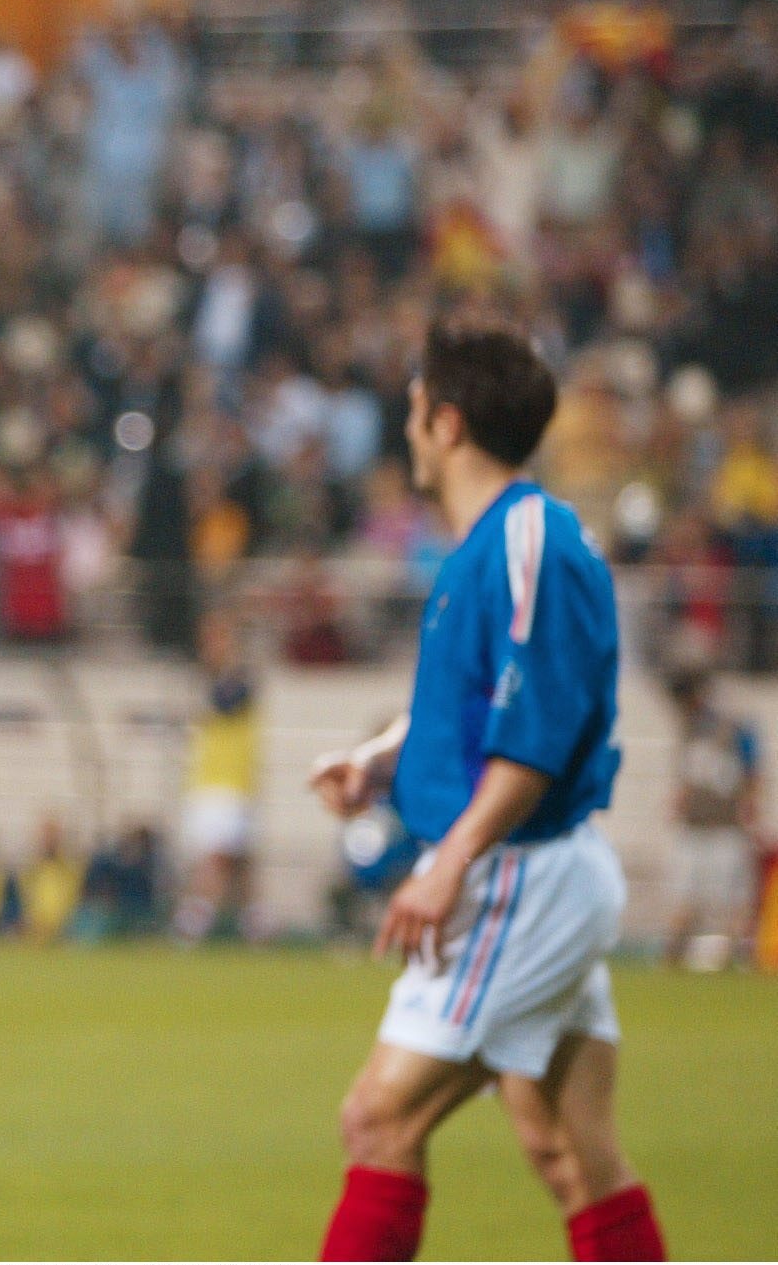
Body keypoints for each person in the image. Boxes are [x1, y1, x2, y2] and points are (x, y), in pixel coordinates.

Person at [308, 318, 666, 1262]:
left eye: (415, 410)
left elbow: (536, 733)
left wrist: (448, 864)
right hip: (537, 869)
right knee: (569, 1152)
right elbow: (482, 710)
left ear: (449, 422)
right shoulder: (490, 546)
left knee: (377, 1120)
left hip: (517, 870)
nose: (407, 429)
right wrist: (386, 758)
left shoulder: (527, 539)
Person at [662, 666, 762, 968]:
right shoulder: (689, 727)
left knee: (725, 898)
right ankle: (675, 955)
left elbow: (751, 772)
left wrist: (751, 805)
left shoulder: (735, 728)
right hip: (695, 824)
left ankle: (726, 956)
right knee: (685, 895)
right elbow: (688, 774)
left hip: (725, 825)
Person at [171, 613, 260, 944]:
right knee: (229, 860)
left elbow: (226, 703)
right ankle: (253, 925)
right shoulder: (208, 683)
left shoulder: (237, 683)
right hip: (210, 783)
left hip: (230, 784)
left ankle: (193, 923)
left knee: (224, 858)